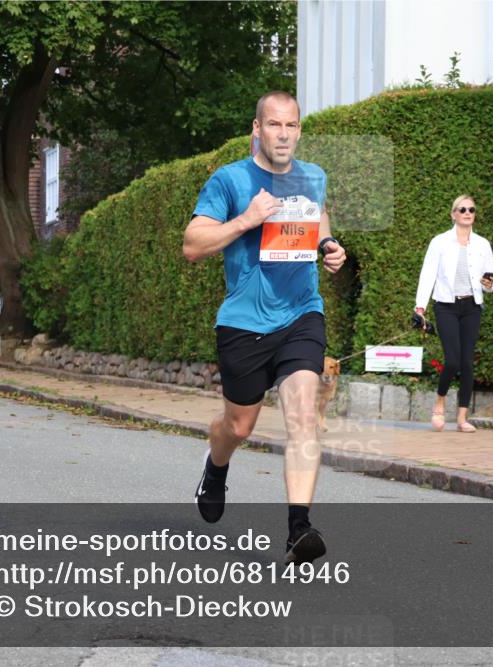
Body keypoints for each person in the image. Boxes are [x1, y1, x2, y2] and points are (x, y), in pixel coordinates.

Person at [183, 90, 346, 564]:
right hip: (244, 323)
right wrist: (247, 219)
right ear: (257, 129)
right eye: (273, 125)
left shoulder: (312, 176)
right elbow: (193, 245)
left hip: (301, 313)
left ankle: (300, 530)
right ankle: (216, 469)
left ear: (299, 130)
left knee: (302, 415)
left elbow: (316, 215)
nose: (283, 134)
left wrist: (329, 243)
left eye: (291, 126)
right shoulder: (229, 179)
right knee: (239, 425)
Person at [414, 195, 493, 432]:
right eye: (462, 209)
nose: (467, 213)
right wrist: (420, 308)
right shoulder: (439, 242)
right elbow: (427, 276)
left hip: (472, 307)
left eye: (471, 209)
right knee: (452, 361)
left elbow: (489, 283)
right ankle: (439, 400)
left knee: (467, 363)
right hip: (446, 306)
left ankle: (462, 418)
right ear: (453, 214)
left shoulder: (483, 245)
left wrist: (489, 285)